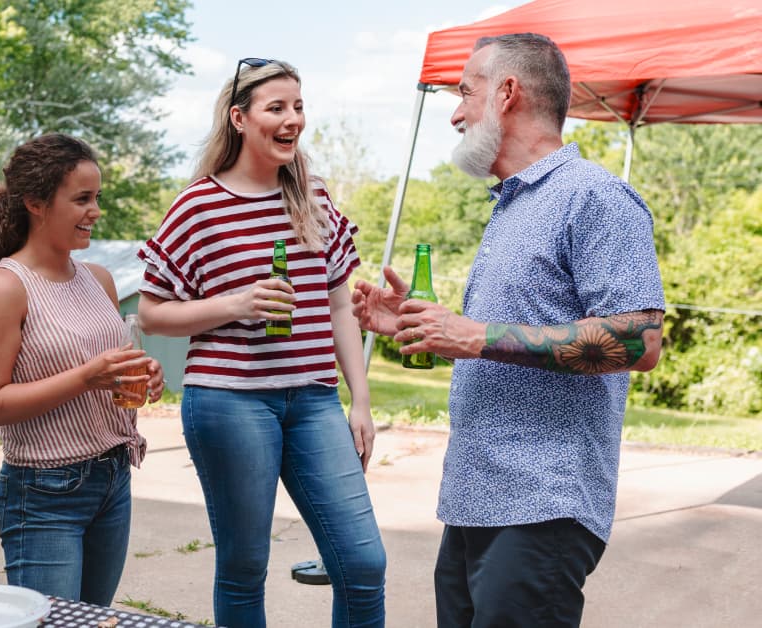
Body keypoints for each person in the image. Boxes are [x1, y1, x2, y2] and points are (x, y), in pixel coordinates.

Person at [352, 33, 665, 627]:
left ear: (507, 94)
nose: (454, 112)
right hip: (474, 501)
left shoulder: (595, 197)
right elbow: (497, 342)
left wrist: (472, 335)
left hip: (542, 506)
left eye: (466, 92)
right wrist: (426, 330)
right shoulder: (513, 206)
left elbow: (638, 341)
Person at [136, 58, 386, 628]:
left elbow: (341, 304)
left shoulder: (314, 197)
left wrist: (361, 399)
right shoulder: (198, 205)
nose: (292, 119)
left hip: (314, 400)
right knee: (245, 566)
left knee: (362, 562)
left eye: (298, 106)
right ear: (240, 118)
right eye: (277, 107)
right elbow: (151, 312)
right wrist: (235, 304)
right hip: (229, 401)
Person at [0, 133, 164, 605]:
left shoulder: (99, 279)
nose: (95, 210)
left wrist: (147, 372)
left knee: (94, 619)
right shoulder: (6, 287)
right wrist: (85, 378)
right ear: (35, 202)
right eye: (82, 199)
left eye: (97, 198)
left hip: (112, 478)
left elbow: (112, 363)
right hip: (44, 493)